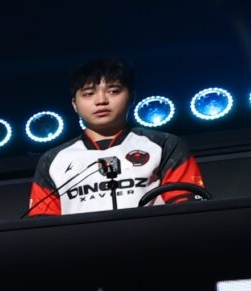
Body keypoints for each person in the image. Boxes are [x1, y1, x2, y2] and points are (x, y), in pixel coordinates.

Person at [29, 56, 210, 215]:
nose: (101, 101)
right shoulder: (53, 160)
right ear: (74, 105)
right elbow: (42, 226)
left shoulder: (165, 145)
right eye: (89, 93)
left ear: (132, 97)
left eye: (113, 91)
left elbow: (190, 210)